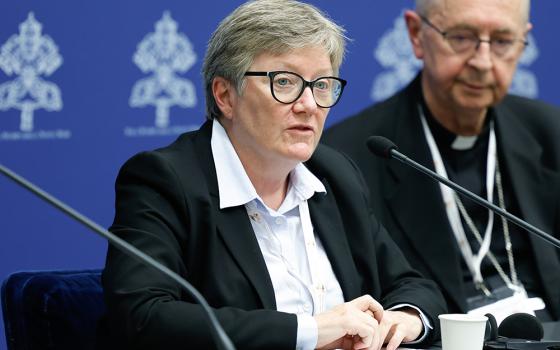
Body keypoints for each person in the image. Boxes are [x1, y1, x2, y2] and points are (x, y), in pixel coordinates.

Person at [97, 0, 447, 349]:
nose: (309, 104)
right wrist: (310, 331)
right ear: (225, 95)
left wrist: (404, 319)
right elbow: (143, 316)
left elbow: (413, 286)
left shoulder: (332, 175)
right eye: (285, 82)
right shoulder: (165, 180)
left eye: (322, 85)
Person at [324, 0, 560, 323]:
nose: (483, 61)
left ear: (523, 41)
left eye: (503, 41)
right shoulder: (347, 157)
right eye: (462, 37)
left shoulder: (552, 134)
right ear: (416, 34)